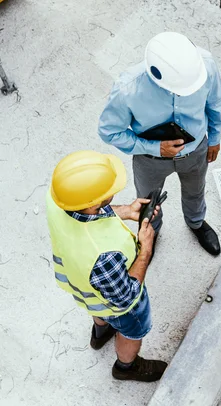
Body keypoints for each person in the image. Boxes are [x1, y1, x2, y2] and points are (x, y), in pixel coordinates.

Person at [45, 150, 168, 381]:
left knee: (99, 310)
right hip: (118, 303)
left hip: (82, 286)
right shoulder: (104, 257)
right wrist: (146, 248)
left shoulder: (56, 198)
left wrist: (125, 212)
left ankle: (100, 333)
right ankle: (126, 366)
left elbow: (86, 215)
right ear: (93, 204)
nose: (114, 190)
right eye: (108, 192)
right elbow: (126, 297)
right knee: (132, 329)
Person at [97, 32, 221, 256]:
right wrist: (155, 148)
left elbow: (214, 103)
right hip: (150, 161)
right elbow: (109, 132)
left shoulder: (205, 66)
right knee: (148, 201)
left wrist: (214, 138)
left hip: (196, 152)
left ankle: (196, 222)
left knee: (196, 191)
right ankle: (151, 232)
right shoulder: (128, 89)